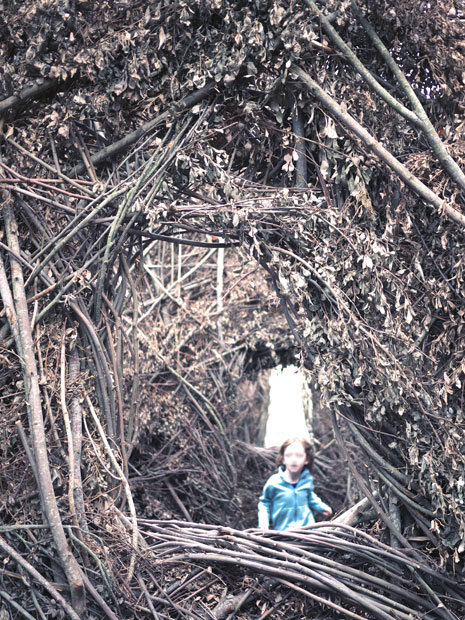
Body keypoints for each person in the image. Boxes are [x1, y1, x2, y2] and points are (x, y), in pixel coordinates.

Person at [258, 437, 332, 531]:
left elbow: (309, 496)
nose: (294, 459)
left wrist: (321, 507)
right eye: (289, 455)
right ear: (283, 459)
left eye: (299, 455)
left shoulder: (306, 480)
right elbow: (264, 503)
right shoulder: (274, 482)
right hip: (284, 532)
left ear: (307, 460)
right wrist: (263, 523)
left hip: (308, 531)